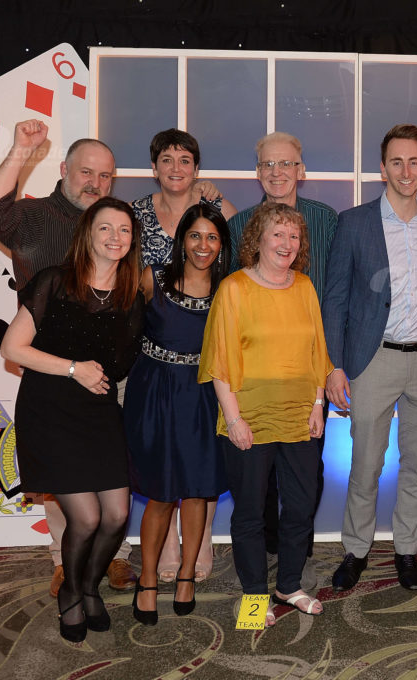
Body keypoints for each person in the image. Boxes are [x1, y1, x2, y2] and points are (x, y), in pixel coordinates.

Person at [0, 120, 138, 595]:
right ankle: (64, 560)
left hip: (105, 373)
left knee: (110, 472)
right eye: (87, 172)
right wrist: (22, 149)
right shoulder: (34, 215)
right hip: (49, 366)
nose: (96, 183)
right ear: (64, 169)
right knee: (63, 479)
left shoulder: (116, 223)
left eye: (105, 176)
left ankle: (114, 559)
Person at [0, 196, 144, 641]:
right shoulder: (55, 282)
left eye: (123, 230)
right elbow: (12, 348)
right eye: (105, 228)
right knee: (84, 518)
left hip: (98, 409)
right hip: (50, 407)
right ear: (88, 233)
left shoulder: (130, 296)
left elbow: (120, 365)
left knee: (117, 514)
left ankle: (87, 586)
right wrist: (72, 367)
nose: (115, 237)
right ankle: (72, 597)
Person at [323, 124, 417, 593]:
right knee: (366, 464)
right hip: (372, 360)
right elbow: (335, 298)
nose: (405, 170)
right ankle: (356, 550)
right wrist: (335, 365)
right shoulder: (353, 222)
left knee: (416, 462)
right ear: (382, 168)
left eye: (414, 161)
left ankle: (406, 550)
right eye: (396, 161)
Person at [198, 202, 332, 626]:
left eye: (293, 237)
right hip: (248, 420)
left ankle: (289, 585)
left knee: (299, 507)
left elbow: (317, 353)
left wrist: (317, 404)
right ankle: (254, 597)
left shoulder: (306, 287)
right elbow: (219, 359)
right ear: (257, 239)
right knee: (251, 512)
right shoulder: (234, 289)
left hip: (299, 419)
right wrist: (234, 419)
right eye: (277, 234)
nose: (286, 244)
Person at [226, 131, 338, 588]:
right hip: (252, 385)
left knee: (304, 479)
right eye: (268, 164)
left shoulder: (326, 221)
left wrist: (329, 371)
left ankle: (294, 563)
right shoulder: (237, 227)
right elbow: (231, 306)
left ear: (300, 170)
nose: (276, 172)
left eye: (285, 163)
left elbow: (333, 295)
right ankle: (260, 568)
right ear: (258, 173)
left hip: (306, 381)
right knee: (254, 491)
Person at [131, 128, 237, 583]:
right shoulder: (135, 218)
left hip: (203, 385)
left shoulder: (226, 280)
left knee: (201, 478)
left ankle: (195, 557)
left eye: (186, 160)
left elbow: (241, 233)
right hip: (154, 376)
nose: (176, 167)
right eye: (167, 159)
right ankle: (159, 565)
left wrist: (218, 202)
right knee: (160, 482)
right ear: (155, 167)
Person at [124, 203, 231, 625]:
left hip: (204, 395)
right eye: (195, 236)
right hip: (155, 394)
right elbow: (118, 325)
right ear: (181, 240)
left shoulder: (229, 288)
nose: (202, 245)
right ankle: (148, 578)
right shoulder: (153, 278)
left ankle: (186, 573)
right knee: (161, 492)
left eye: (212, 237)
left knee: (198, 490)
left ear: (221, 245)